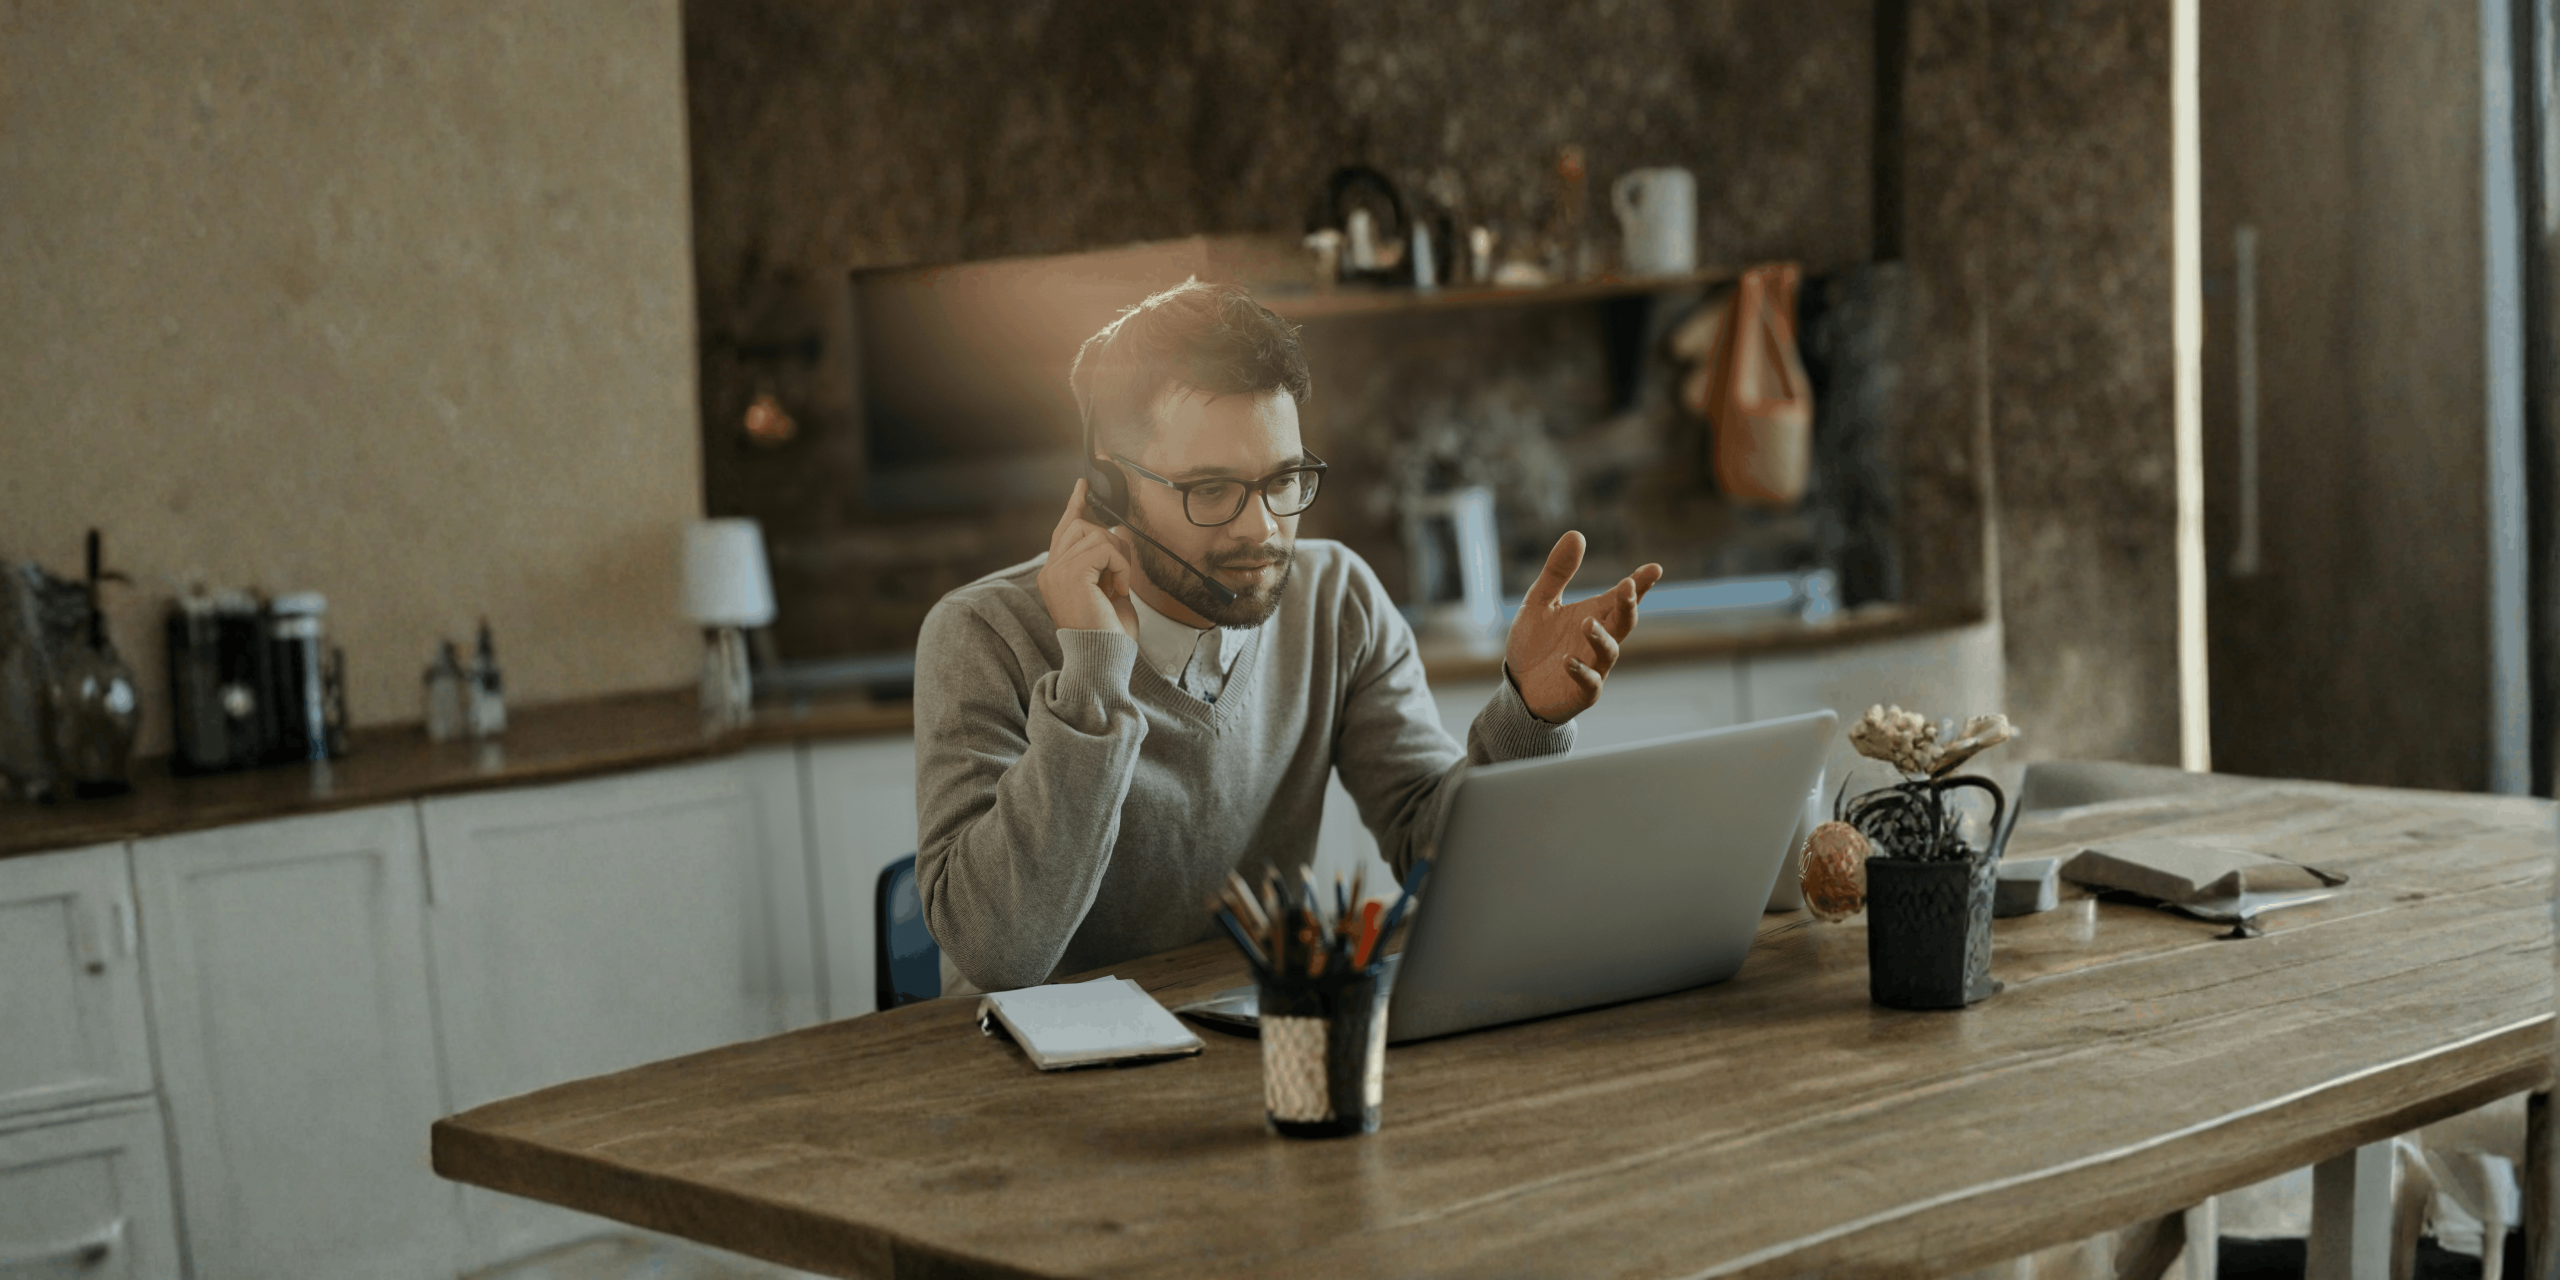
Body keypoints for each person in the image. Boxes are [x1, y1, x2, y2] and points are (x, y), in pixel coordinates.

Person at [912, 279, 1664, 993]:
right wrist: (1092, 680)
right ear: (1111, 486)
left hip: (1261, 1036)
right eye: (1211, 490)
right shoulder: (980, 634)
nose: (1263, 529)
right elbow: (998, 953)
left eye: (1283, 479)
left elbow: (1437, 851)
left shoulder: (1335, 600)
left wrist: (1526, 717)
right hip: (1028, 1088)